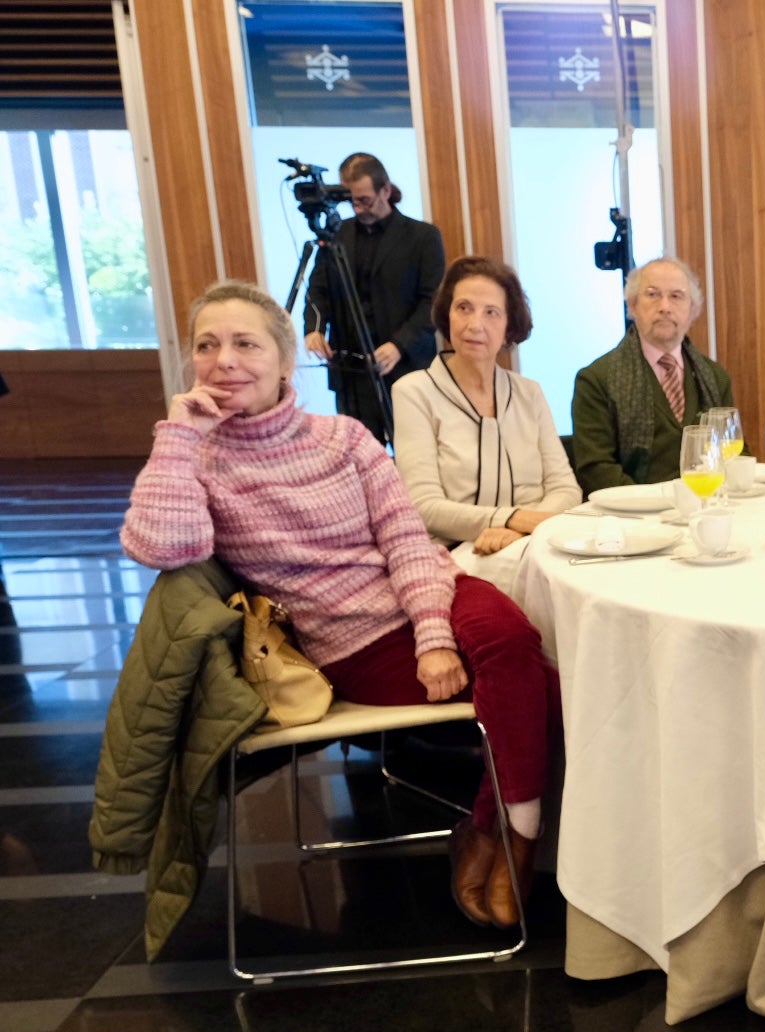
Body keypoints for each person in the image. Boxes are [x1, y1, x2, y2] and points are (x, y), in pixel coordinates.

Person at [123, 280, 559, 930]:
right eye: (206, 345)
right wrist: (178, 436)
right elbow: (161, 544)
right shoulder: (199, 459)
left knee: (517, 647)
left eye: (246, 343)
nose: (225, 360)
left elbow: (407, 539)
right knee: (543, 689)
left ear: (283, 356)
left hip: (433, 593)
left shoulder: (343, 437)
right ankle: (509, 838)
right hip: (350, 640)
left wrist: (434, 634)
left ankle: (498, 832)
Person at [392, 256, 579, 562]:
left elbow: (566, 488)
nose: (474, 324)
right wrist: (511, 519)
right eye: (463, 308)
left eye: (491, 312)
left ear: (509, 327)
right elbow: (423, 506)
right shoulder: (414, 392)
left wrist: (520, 531)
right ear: (447, 315)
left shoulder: (529, 393)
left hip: (534, 543)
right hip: (456, 555)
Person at [302, 152, 446, 444]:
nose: (357, 208)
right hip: (351, 373)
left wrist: (398, 345)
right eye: (351, 200)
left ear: (386, 191)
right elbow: (318, 289)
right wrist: (314, 329)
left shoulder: (423, 237)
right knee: (359, 458)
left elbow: (433, 302)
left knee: (414, 456)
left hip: (406, 367)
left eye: (365, 200)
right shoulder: (335, 235)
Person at [571, 257, 734, 493]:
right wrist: (654, 503)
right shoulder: (596, 380)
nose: (665, 306)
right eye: (652, 294)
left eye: (676, 296)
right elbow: (596, 470)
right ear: (633, 305)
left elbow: (732, 450)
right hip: (633, 518)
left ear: (693, 310)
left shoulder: (715, 377)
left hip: (706, 505)